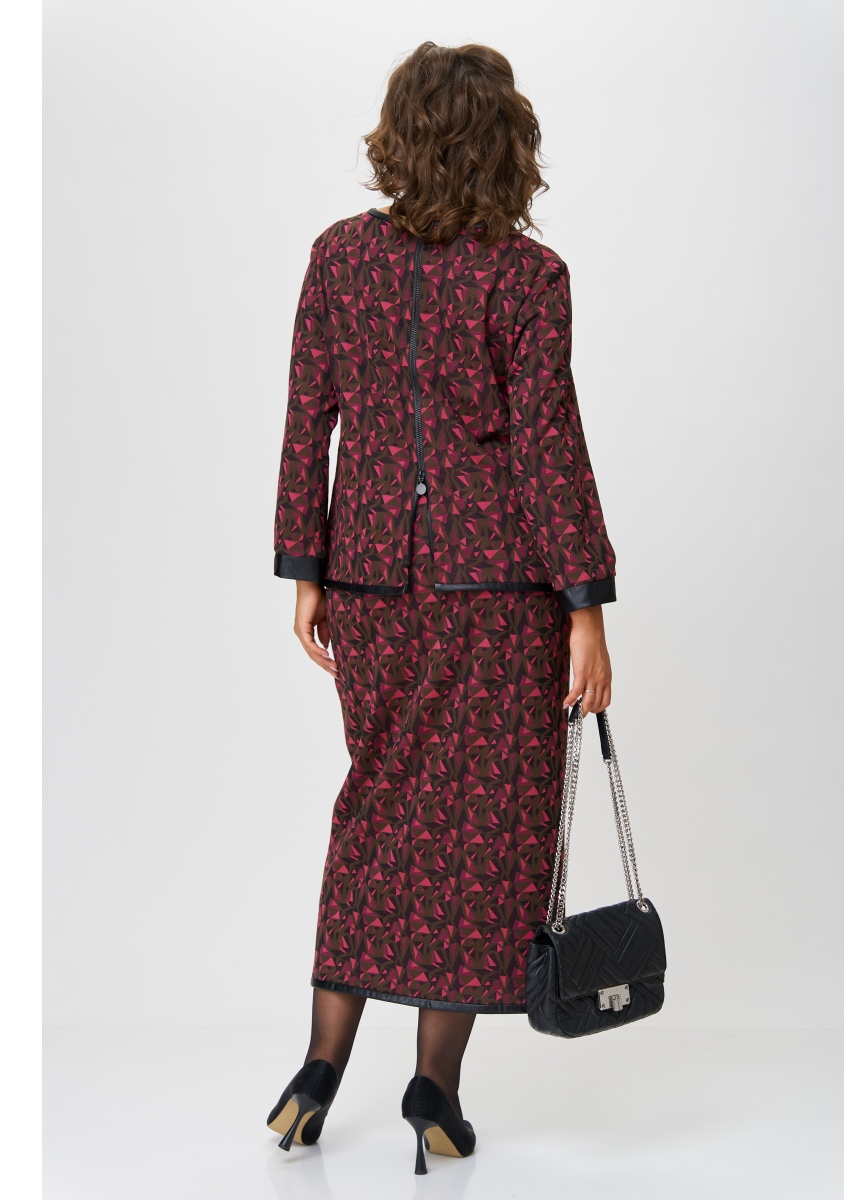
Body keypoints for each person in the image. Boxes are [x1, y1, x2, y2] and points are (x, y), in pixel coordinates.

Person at [266, 40, 616, 1174]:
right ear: (507, 145)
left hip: (372, 584)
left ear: (400, 137)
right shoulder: (528, 275)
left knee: (376, 809)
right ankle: (434, 1092)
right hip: (497, 592)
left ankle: (316, 1073)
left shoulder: (338, 257)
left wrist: (307, 566)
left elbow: (307, 415)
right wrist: (585, 605)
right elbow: (547, 447)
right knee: (477, 832)